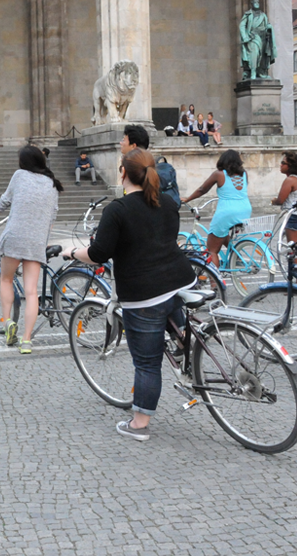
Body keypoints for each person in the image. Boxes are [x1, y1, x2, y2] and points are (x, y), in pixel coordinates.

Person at [63, 150, 197, 441]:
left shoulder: (118, 209)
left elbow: (99, 254)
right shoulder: (168, 203)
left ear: (122, 172)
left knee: (147, 363)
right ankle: (186, 340)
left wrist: (71, 252)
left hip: (144, 294)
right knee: (174, 315)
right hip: (181, 280)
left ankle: (139, 423)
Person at [0, 146, 62, 353]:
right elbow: (53, 215)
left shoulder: (19, 175)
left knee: (5, 279)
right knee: (31, 292)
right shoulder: (52, 183)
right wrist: (43, 238)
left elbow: (3, 202)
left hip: (14, 237)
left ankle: (7, 323)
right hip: (36, 241)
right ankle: (26, 340)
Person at [180, 149, 252, 263]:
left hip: (227, 211)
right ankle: (236, 256)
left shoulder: (219, 174)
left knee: (212, 250)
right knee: (222, 232)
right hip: (245, 209)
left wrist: (188, 199)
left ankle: (215, 280)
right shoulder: (244, 174)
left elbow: (202, 189)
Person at [272, 151, 297, 264]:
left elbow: (280, 200)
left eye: (283, 163)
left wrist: (273, 201)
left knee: (296, 252)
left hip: (293, 217)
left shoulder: (290, 180)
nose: (281, 165)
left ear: (290, 166)